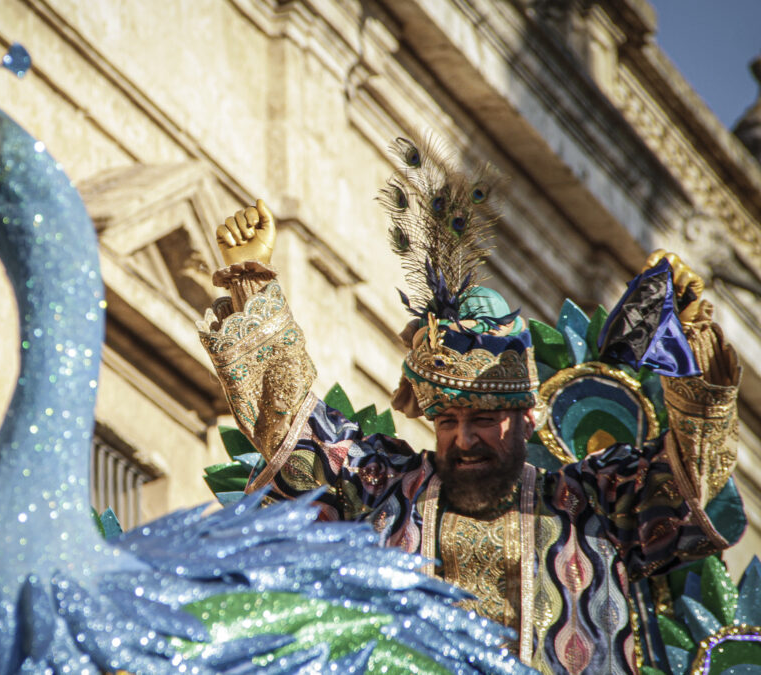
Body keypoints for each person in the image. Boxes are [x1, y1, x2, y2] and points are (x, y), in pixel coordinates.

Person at [195, 147, 742, 674]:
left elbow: (696, 474)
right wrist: (251, 279)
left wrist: (692, 344)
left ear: (528, 419)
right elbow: (291, 422)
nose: (463, 438)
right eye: (448, 422)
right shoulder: (384, 488)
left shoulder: (595, 503)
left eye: (482, 420)